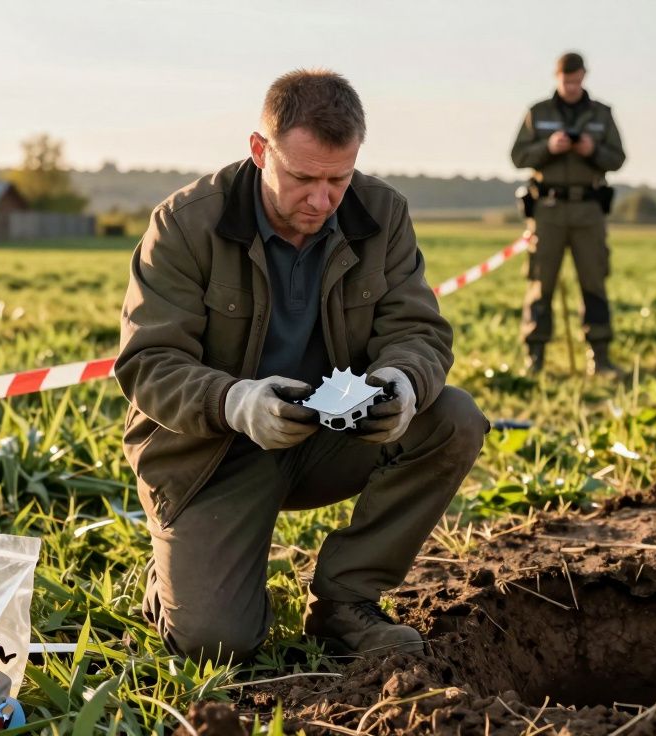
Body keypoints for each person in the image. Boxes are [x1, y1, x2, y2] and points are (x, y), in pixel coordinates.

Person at [115, 69, 488, 663]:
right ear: (260, 150)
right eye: (303, 177)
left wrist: (403, 384)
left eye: (338, 179)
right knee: (218, 643)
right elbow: (148, 365)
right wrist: (235, 403)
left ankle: (346, 602)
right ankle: (176, 585)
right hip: (213, 454)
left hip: (330, 437)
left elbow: (418, 330)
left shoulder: (381, 214)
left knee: (454, 418)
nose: (321, 200)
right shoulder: (183, 225)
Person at [510, 52, 627, 376]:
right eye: (566, 80)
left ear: (584, 77)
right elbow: (518, 156)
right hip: (547, 209)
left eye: (576, 80)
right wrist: (549, 148)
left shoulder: (601, 114)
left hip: (589, 209)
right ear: (556, 77)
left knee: (594, 283)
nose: (571, 86)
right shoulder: (538, 112)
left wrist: (593, 151)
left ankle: (600, 357)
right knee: (540, 284)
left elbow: (617, 159)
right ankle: (535, 358)